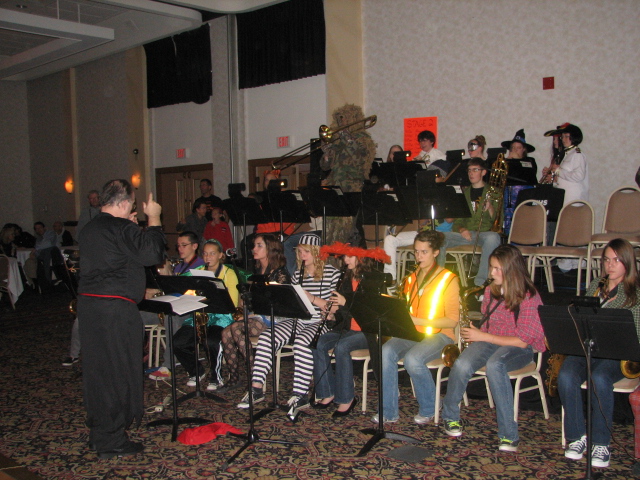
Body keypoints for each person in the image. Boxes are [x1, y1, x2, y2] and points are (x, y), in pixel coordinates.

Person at [78, 179, 165, 459]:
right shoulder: (122, 228)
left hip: (90, 308)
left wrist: (130, 228)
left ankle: (101, 434)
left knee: (98, 372)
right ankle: (112, 440)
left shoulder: (91, 228)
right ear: (126, 202)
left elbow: (120, 254)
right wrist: (153, 218)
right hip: (115, 310)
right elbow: (153, 254)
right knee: (118, 372)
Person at [441, 244, 545, 453]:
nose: (492, 273)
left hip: (519, 348)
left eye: (498, 269)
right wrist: (477, 333)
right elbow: (488, 326)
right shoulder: (490, 290)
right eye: (491, 267)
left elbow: (522, 341)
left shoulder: (529, 296)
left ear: (512, 270)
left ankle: (509, 434)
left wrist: (483, 336)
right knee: (461, 364)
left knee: (495, 365)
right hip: (491, 341)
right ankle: (450, 416)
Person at [237, 233, 340, 418]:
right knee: (267, 337)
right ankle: (256, 389)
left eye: (306, 251)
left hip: (321, 322)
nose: (301, 255)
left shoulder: (332, 273)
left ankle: (300, 395)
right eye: (299, 251)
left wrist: (312, 298)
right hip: (297, 319)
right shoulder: (298, 274)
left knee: (302, 342)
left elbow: (334, 308)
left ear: (317, 253)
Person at [559, 238, 640, 469]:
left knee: (600, 378)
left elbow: (636, 333)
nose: (610, 265)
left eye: (616, 260)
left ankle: (601, 443)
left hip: (618, 354)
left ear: (628, 263)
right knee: (566, 374)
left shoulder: (635, 293)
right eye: (606, 260)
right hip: (590, 348)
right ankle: (576, 437)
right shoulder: (596, 284)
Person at [376, 230, 459, 424]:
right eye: (416, 251)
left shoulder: (449, 279)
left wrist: (417, 321)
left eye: (424, 252)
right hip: (415, 333)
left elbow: (452, 321)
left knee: (413, 359)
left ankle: (431, 406)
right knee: (386, 351)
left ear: (436, 252)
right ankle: (388, 412)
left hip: (441, 335)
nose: (419, 256)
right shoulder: (411, 278)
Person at [382, 135, 486, 281]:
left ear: (443, 177)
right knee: (389, 239)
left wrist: (439, 205)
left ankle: (430, 280)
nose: (433, 178)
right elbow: (421, 223)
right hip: (423, 233)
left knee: (428, 243)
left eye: (436, 175)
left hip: (440, 233)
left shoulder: (450, 193)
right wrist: (423, 215)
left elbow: (450, 219)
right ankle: (390, 280)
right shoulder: (425, 194)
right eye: (431, 175)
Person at [312, 242, 391, 417]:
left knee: (342, 346)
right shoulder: (345, 278)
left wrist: (345, 303)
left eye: (350, 256)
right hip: (347, 329)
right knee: (319, 342)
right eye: (344, 256)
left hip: (367, 331)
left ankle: (346, 398)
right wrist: (332, 315)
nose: (345, 260)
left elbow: (372, 311)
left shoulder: (374, 279)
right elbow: (343, 313)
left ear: (360, 257)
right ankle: (327, 392)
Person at [220, 233, 290, 393]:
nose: (254, 249)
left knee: (236, 328)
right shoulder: (257, 271)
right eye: (254, 245)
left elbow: (278, 305)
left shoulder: (281, 274)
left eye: (259, 246)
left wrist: (251, 313)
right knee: (225, 333)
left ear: (270, 249)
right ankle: (234, 377)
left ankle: (255, 377)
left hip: (275, 319)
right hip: (257, 317)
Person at [172, 239, 239, 391]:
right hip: (200, 315)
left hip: (221, 316)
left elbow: (232, 303)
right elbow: (187, 291)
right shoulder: (198, 272)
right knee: (178, 342)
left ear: (221, 255)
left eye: (212, 254)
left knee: (212, 341)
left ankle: (216, 376)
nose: (208, 257)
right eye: (205, 254)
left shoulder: (229, 273)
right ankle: (196, 371)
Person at [437, 158, 501, 286]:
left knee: (493, 238)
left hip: (484, 234)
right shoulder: (463, 193)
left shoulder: (494, 193)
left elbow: (498, 222)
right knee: (439, 237)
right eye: (469, 170)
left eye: (475, 170)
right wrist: (462, 229)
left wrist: (491, 208)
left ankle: (481, 283)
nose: (471, 173)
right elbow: (457, 221)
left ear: (483, 172)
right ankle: (438, 279)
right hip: (465, 234)